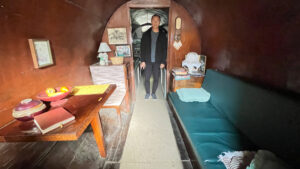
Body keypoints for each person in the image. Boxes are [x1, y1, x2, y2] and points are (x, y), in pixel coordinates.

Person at [140, 14, 167, 99]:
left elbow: (164, 49)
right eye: (153, 20)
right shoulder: (146, 34)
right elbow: (142, 48)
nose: (155, 22)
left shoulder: (163, 35)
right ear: (151, 21)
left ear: (159, 22)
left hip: (157, 61)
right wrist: (142, 60)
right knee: (147, 78)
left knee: (156, 78)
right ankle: (148, 93)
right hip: (147, 61)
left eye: (157, 20)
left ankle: (154, 93)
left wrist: (163, 62)